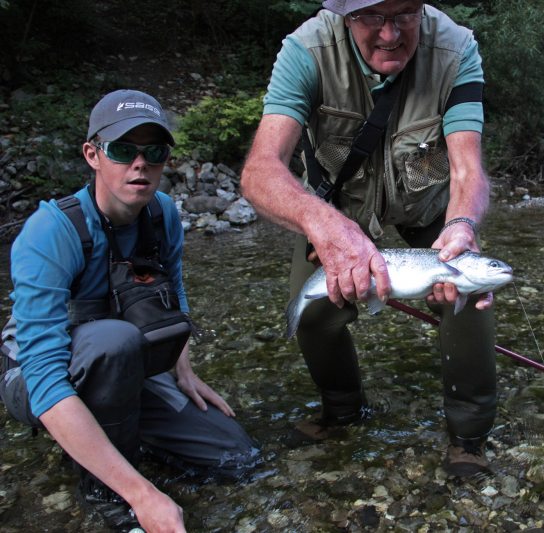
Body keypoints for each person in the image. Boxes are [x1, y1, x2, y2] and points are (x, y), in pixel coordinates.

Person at [241, 0, 496, 476]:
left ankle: (469, 436)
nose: (389, 34)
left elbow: (467, 167)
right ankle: (342, 410)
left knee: (465, 300)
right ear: (343, 16)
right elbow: (260, 171)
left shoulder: (457, 50)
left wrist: (463, 225)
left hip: (429, 204)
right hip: (336, 213)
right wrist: (322, 224)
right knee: (314, 313)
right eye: (372, 17)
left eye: (404, 14)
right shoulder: (305, 52)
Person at [0, 89, 260, 532]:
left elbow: (171, 296)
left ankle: (114, 431)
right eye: (123, 150)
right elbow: (43, 376)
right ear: (93, 155)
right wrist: (142, 493)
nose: (140, 164)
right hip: (33, 373)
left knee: (237, 457)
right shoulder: (49, 232)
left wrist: (184, 371)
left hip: (124, 364)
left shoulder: (162, 215)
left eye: (154, 152)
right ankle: (103, 488)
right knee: (113, 341)